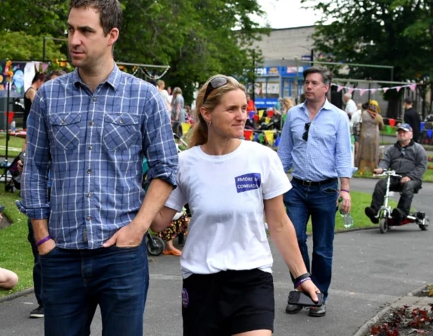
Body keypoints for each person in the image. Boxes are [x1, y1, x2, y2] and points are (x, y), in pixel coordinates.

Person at [22, 0, 179, 336]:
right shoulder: (49, 96)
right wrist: (42, 236)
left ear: (111, 35)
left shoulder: (145, 97)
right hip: (61, 253)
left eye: (86, 31)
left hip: (120, 256)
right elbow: (34, 167)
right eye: (70, 29)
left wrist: (137, 230)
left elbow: (165, 169)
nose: (74, 40)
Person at [151, 75, 320, 335]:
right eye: (231, 109)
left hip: (252, 280)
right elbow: (159, 222)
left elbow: (279, 223)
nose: (242, 116)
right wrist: (149, 180)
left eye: (244, 108)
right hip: (201, 283)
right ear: (206, 113)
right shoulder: (184, 163)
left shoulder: (262, 158)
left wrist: (301, 276)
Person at [277, 66, 354, 317]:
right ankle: (301, 289)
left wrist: (345, 189)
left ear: (325, 87)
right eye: (306, 82)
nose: (308, 87)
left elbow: (343, 154)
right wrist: (273, 185)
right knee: (295, 239)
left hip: (326, 189)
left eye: (313, 83)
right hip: (297, 189)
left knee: (322, 247)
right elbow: (284, 153)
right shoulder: (293, 115)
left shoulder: (338, 117)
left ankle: (319, 295)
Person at [17, 69, 66, 319]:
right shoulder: (40, 111)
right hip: (40, 197)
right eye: (51, 86)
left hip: (63, 197)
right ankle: (44, 301)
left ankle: (64, 300)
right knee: (39, 250)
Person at [365, 123, 428, 223]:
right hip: (395, 177)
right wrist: (381, 169)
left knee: (408, 186)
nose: (402, 134)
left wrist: (410, 176)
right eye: (400, 132)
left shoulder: (418, 149)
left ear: (411, 134)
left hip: (413, 179)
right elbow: (385, 161)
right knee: (381, 184)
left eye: (404, 132)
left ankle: (401, 213)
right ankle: (374, 211)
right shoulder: (391, 149)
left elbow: (422, 166)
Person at [356, 103, 384, 173]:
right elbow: (382, 126)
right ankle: (373, 170)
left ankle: (361, 170)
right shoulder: (378, 117)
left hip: (364, 137)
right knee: (373, 154)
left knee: (363, 153)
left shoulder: (364, 114)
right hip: (374, 137)